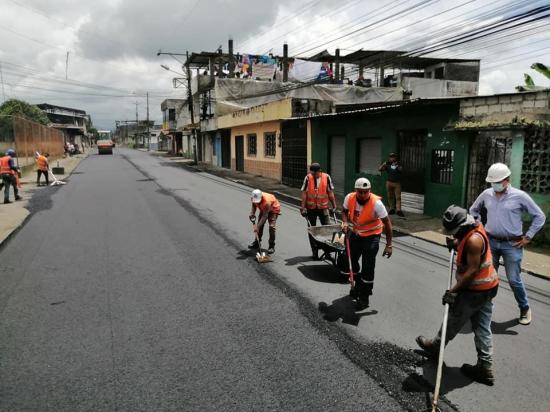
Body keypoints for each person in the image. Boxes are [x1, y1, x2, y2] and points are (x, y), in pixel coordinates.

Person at [416, 205, 499, 386]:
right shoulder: (472, 228)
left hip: (474, 291)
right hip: (488, 287)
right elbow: (466, 246)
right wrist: (456, 244)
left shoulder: (474, 241)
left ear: (462, 225)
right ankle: (485, 367)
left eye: (455, 232)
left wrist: (452, 291)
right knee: (483, 327)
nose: (454, 234)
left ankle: (436, 347)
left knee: (453, 320)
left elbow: (471, 272)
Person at [469, 163, 546, 325]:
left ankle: (524, 308)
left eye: (497, 181)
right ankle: (485, 308)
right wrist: (479, 225)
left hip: (512, 244)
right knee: (487, 277)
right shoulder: (486, 194)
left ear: (507, 180)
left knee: (513, 279)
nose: (495, 185)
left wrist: (528, 237)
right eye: (493, 182)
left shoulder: (520, 196)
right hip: (490, 241)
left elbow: (540, 216)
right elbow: (473, 210)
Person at [341, 177, 393, 310]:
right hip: (356, 233)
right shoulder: (349, 198)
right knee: (350, 261)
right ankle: (357, 286)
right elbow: (344, 211)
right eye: (360, 192)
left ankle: (364, 296)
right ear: (355, 191)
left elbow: (387, 223)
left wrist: (389, 245)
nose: (363, 195)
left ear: (369, 191)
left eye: (366, 192)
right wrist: (345, 222)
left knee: (368, 267)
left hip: (372, 236)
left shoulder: (377, 204)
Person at [300, 163, 337, 260]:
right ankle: (315, 251)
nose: (312, 174)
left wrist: (334, 205)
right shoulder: (308, 178)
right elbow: (304, 193)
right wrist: (303, 207)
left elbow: (330, 192)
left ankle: (328, 252)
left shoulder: (326, 177)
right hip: (311, 208)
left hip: (323, 207)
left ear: (319, 171)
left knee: (328, 228)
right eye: (311, 173)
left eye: (314, 173)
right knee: (312, 230)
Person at [248, 189, 281, 255]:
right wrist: (252, 213)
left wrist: (257, 227)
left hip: (273, 209)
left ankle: (271, 246)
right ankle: (257, 243)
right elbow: (254, 205)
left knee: (271, 227)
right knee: (259, 225)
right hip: (263, 209)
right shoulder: (254, 197)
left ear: (261, 197)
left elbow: (265, 216)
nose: (257, 202)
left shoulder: (267, 201)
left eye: (258, 201)